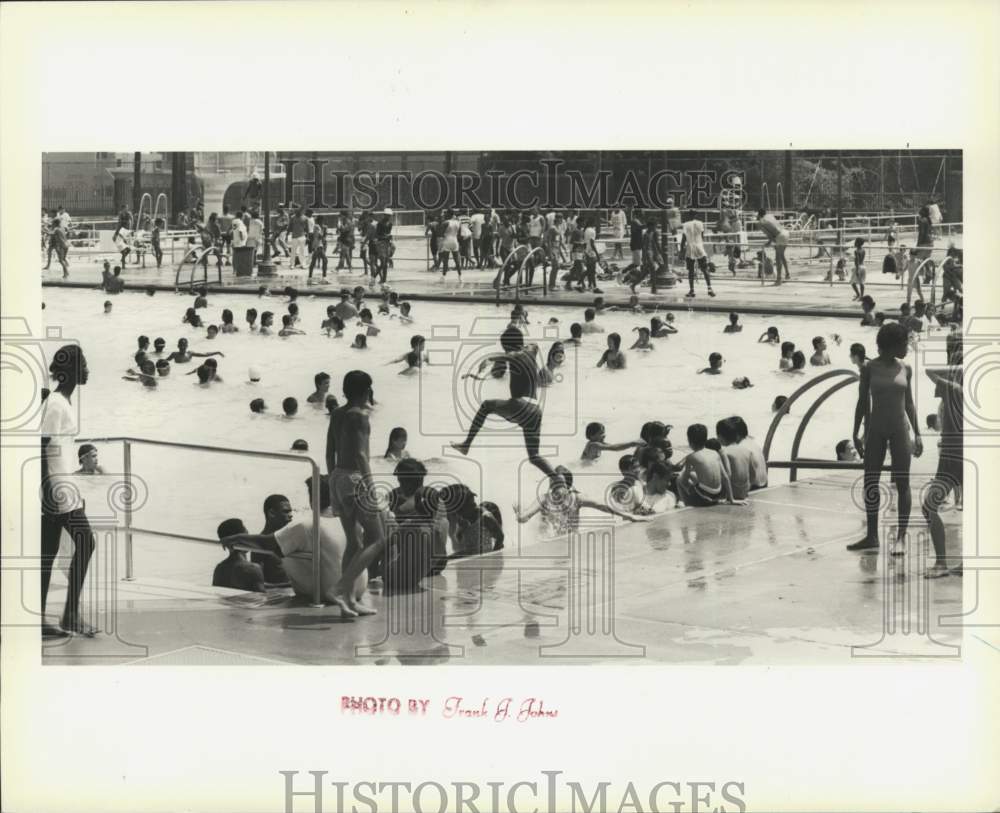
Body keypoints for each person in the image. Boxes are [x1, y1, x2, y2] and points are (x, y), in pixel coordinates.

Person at [849, 323, 923, 554]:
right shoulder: (869, 368)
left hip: (900, 429)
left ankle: (900, 537)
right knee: (871, 482)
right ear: (892, 344)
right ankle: (872, 536)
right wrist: (855, 432)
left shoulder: (906, 368)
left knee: (902, 483)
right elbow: (863, 401)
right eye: (905, 343)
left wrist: (918, 432)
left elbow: (909, 402)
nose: (908, 347)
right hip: (875, 431)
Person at [40, 345, 97, 638]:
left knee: (48, 552)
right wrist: (47, 489)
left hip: (62, 484)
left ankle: (52, 617)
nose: (87, 368)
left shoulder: (63, 401)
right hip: (56, 485)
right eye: (83, 363)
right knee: (86, 542)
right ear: (73, 369)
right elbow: (41, 445)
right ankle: (70, 614)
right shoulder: (56, 404)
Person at [451, 326, 559, 480]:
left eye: (505, 348)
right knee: (534, 456)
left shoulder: (515, 355)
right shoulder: (532, 349)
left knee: (486, 406)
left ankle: (466, 445)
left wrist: (490, 359)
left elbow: (512, 355)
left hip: (520, 405)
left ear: (508, 347)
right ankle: (557, 479)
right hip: (535, 410)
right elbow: (531, 346)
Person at [221, 511, 369, 615]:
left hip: (320, 593)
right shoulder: (347, 522)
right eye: (286, 511)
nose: (291, 514)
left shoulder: (221, 568)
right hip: (355, 590)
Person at [514, 466, 649, 536]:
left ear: (568, 486)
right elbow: (525, 517)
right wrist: (520, 515)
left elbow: (603, 506)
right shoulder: (544, 499)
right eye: (551, 484)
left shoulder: (577, 498)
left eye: (558, 485)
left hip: (570, 539)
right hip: (547, 542)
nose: (553, 489)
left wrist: (630, 516)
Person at [922, 364, 964, 577]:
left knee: (929, 505)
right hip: (961, 456)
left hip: (952, 459)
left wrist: (956, 368)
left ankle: (941, 564)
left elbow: (929, 370)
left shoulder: (954, 390)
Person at [676, 424, 745, 507]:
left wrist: (690, 486)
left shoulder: (691, 457)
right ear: (705, 440)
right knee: (694, 477)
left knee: (679, 479)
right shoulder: (715, 453)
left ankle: (684, 502)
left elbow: (684, 480)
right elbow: (725, 477)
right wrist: (732, 500)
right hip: (718, 495)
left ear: (689, 441)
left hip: (704, 497)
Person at [212, 519, 266, 592]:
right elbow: (261, 599)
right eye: (247, 535)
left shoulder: (219, 569)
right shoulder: (252, 569)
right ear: (241, 538)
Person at [681, 211, 715, 298]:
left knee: (691, 271)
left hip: (690, 248)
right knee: (704, 269)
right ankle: (709, 288)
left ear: (688, 216)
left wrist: (681, 250)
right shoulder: (700, 223)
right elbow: (702, 235)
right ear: (695, 215)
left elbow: (684, 238)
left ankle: (692, 290)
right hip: (699, 247)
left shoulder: (685, 224)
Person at [756, 208, 790, 282]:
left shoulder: (761, 222)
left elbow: (769, 234)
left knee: (778, 258)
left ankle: (779, 278)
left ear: (758, 214)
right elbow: (774, 229)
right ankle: (787, 273)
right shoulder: (770, 216)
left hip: (779, 236)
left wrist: (769, 242)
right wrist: (771, 241)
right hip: (785, 233)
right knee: (782, 256)